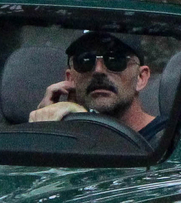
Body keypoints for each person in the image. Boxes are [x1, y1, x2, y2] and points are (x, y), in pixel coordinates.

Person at [26, 29, 161, 142]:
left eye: (115, 60)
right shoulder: (65, 139)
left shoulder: (169, 140)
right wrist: (45, 131)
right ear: (70, 78)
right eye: (85, 61)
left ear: (141, 78)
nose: (98, 71)